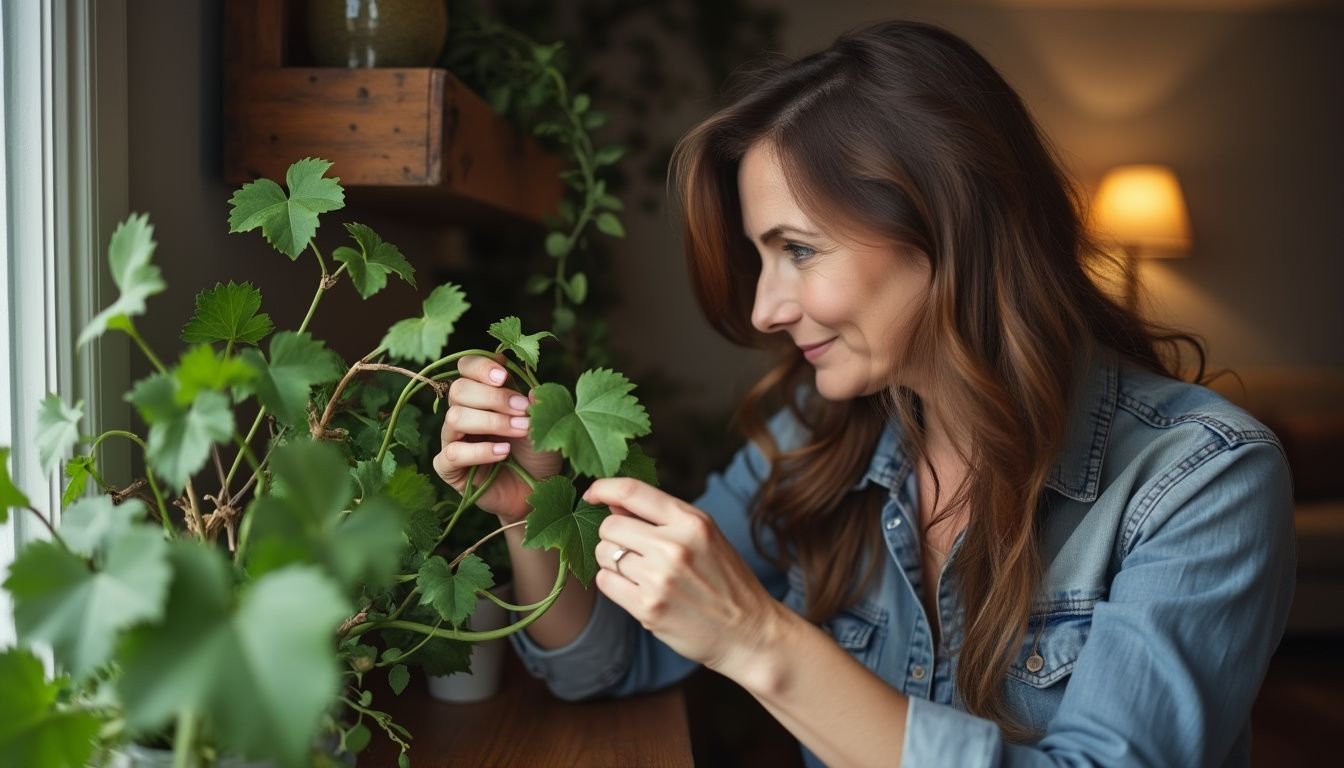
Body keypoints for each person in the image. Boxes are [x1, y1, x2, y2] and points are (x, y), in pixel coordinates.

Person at [432, 20, 1295, 767]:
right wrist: (525, 505)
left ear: (947, 226)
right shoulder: (817, 431)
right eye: (761, 257)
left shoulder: (1202, 481)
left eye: (798, 249)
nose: (767, 308)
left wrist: (762, 642)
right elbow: (605, 665)